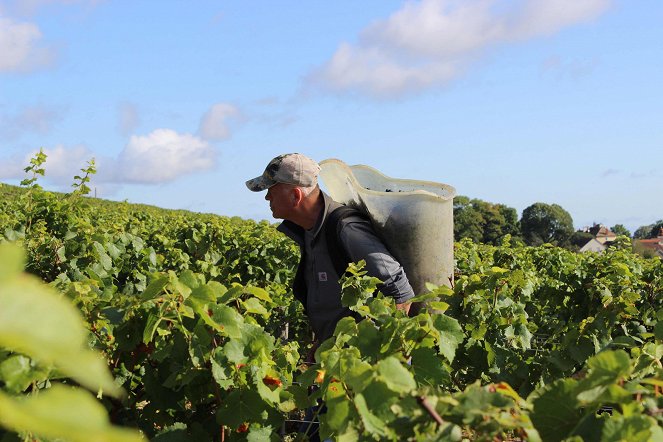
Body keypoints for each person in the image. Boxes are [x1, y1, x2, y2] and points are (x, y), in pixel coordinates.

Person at [246, 153, 415, 347]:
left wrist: (387, 354)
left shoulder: (346, 230)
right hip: (338, 359)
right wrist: (322, 344)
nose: (267, 196)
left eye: (272, 190)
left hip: (364, 364)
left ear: (295, 196)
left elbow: (400, 292)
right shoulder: (309, 231)